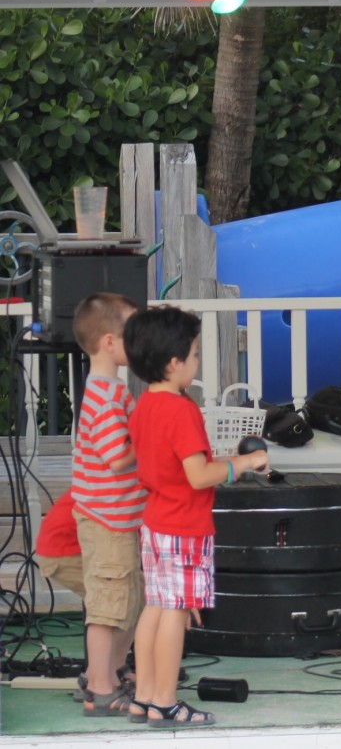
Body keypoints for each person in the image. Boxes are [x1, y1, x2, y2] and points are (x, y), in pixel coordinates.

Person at [123, 305, 269, 728]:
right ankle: (167, 701)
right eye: (195, 354)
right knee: (177, 611)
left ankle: (145, 696)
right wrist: (243, 464)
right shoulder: (182, 410)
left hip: (154, 522)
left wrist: (228, 461)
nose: (196, 362)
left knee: (156, 607)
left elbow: (176, 463)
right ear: (174, 363)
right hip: (184, 526)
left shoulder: (145, 405)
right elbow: (198, 474)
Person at [67, 292, 145, 716]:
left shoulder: (111, 391)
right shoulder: (105, 398)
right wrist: (148, 435)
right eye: (132, 335)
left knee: (129, 600)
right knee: (108, 604)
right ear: (110, 343)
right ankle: (99, 684)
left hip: (121, 517)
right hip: (106, 519)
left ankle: (113, 669)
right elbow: (118, 458)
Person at [34, 489, 135, 704]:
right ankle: (99, 683)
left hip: (69, 546)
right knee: (113, 600)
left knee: (137, 592)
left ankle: (111, 670)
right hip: (64, 549)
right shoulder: (129, 477)